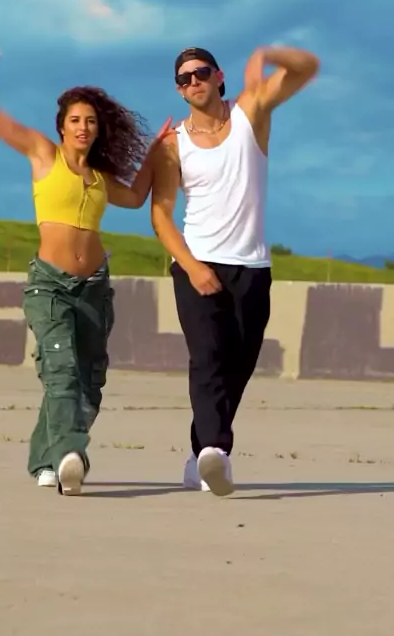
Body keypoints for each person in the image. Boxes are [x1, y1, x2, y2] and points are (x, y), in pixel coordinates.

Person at [0, 24, 171, 496]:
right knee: (61, 372)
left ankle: (47, 459)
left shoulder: (101, 178)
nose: (84, 127)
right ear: (61, 126)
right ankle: (70, 456)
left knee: (89, 381)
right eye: (76, 120)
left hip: (94, 288)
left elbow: (137, 196)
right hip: (50, 286)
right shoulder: (44, 154)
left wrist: (156, 153)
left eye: (91, 121)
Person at [150, 44, 319, 496]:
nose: (193, 81)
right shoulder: (173, 144)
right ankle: (216, 452)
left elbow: (308, 68)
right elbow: (161, 215)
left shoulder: (251, 112)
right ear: (178, 90)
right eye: (184, 78)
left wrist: (267, 52)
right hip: (197, 264)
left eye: (201, 72)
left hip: (252, 266)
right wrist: (191, 266)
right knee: (207, 358)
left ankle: (198, 458)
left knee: (236, 368)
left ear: (218, 76)